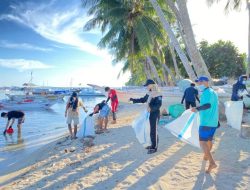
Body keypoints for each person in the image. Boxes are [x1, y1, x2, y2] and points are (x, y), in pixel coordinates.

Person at [191, 76, 219, 173]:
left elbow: (208, 105)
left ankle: (212, 162)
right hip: (213, 122)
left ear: (206, 82)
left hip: (206, 122)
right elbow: (215, 106)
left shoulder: (207, 92)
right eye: (198, 82)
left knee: (202, 142)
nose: (199, 84)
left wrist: (197, 109)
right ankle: (206, 156)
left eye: (200, 82)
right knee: (209, 140)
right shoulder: (213, 92)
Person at [130, 79, 162, 154]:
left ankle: (154, 147)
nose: (146, 87)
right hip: (148, 114)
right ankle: (152, 145)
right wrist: (133, 100)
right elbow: (143, 100)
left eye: (147, 85)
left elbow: (158, 104)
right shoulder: (149, 93)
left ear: (152, 85)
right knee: (148, 129)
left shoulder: (158, 93)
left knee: (154, 130)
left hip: (155, 113)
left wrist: (151, 108)